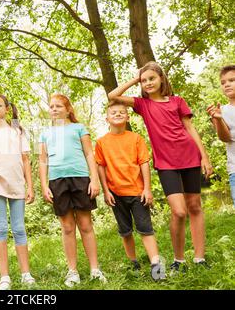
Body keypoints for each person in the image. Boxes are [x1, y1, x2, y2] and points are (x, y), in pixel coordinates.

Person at [108, 61, 213, 272]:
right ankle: (179, 259)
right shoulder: (142, 105)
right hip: (166, 164)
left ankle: (200, 258)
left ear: (161, 79)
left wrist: (205, 157)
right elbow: (113, 96)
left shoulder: (177, 101)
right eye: (144, 80)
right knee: (179, 211)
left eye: (151, 78)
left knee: (194, 207)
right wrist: (136, 78)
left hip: (190, 156)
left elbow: (190, 129)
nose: (148, 83)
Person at [39, 93, 106, 287]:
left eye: (58, 106)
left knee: (85, 225)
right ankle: (72, 271)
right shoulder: (44, 133)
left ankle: (95, 269)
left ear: (68, 109)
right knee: (67, 227)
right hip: (57, 181)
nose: (54, 109)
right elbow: (43, 161)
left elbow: (89, 154)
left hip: (80, 179)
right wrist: (44, 185)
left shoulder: (79, 128)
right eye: (51, 106)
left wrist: (94, 180)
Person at [95, 102, 165, 281]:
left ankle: (157, 267)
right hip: (115, 193)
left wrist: (147, 189)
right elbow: (101, 167)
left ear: (128, 117)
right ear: (107, 118)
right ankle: (133, 263)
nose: (118, 114)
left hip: (137, 192)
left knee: (145, 229)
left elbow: (144, 163)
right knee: (125, 231)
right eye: (113, 112)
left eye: (122, 112)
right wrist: (106, 190)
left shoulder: (136, 138)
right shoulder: (102, 142)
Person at [0, 93, 36, 290]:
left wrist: (30, 186)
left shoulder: (18, 131)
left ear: (7, 108)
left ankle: (25, 274)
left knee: (19, 228)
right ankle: (5, 277)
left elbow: (26, 160)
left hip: (17, 184)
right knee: (1, 228)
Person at [206, 65, 235, 208]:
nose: (227, 84)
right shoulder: (221, 111)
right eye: (223, 82)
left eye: (232, 80)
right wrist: (218, 119)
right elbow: (225, 138)